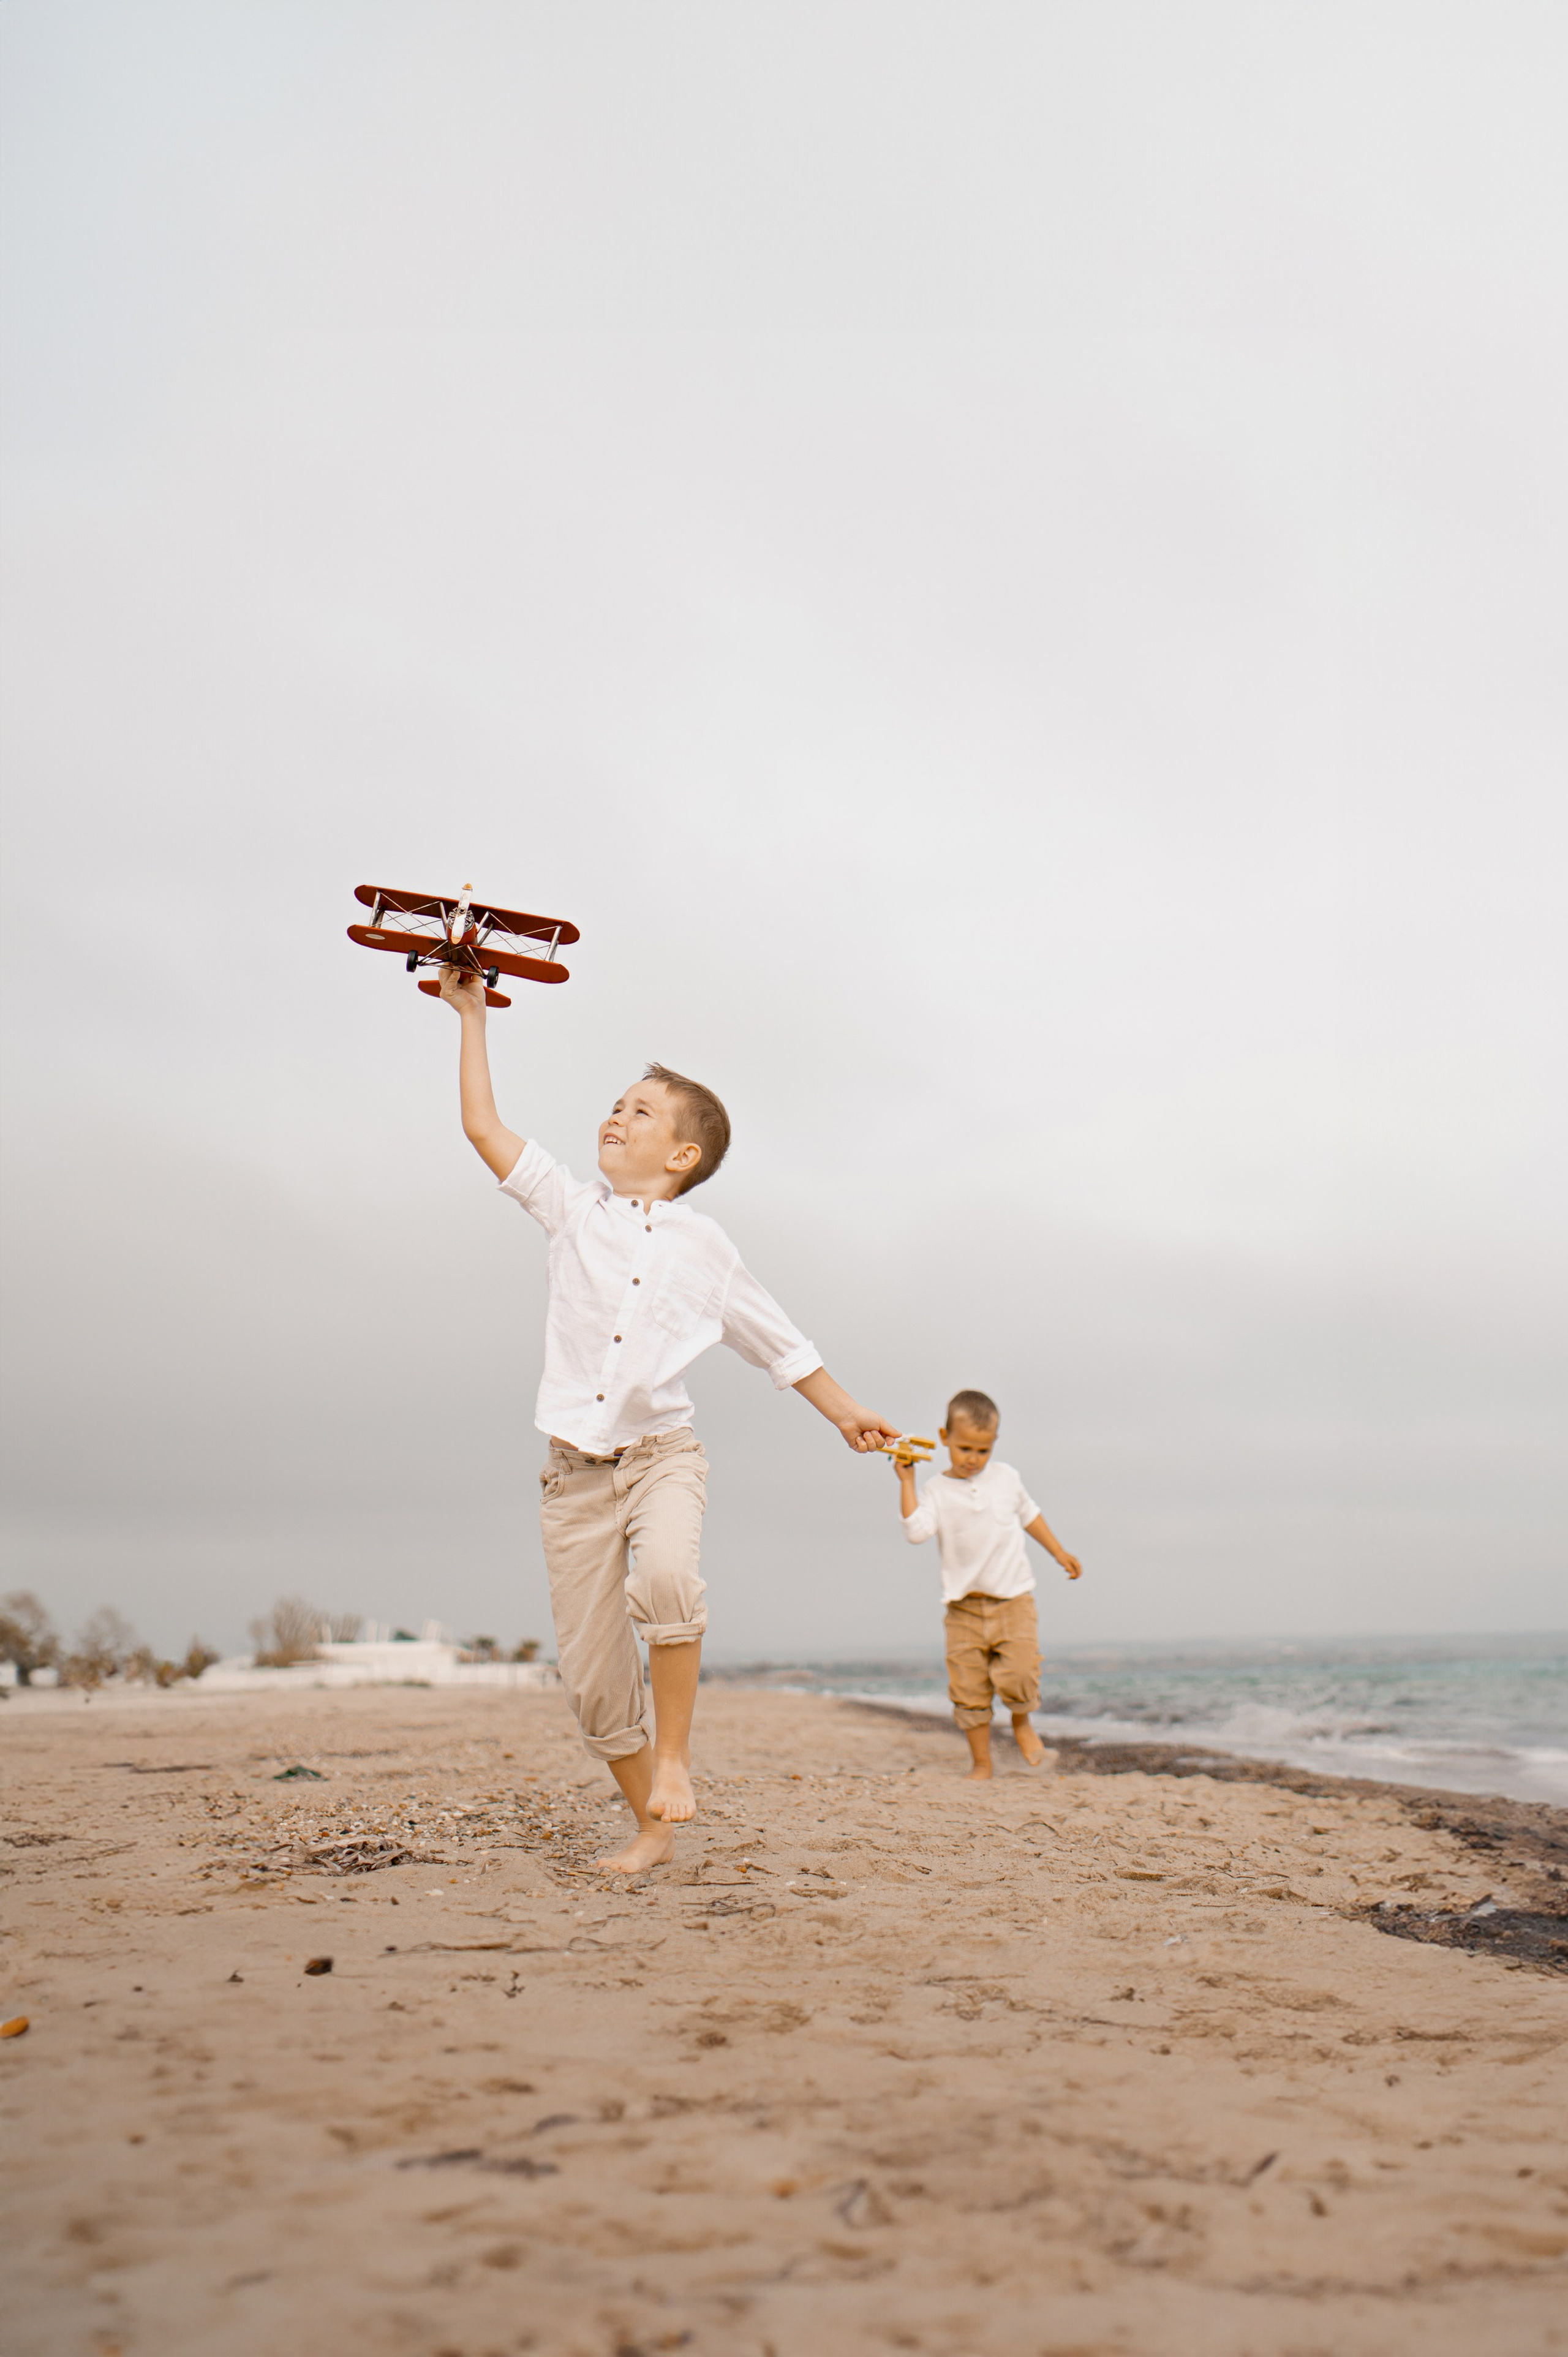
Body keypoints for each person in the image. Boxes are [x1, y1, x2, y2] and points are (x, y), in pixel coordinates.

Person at [438, 963, 899, 1869]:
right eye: (615, 1104)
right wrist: (470, 1016)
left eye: (641, 1112)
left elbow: (782, 1342)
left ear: (683, 1156)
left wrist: (847, 1415)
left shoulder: (707, 1247)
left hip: (662, 1457)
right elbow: (482, 1126)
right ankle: (652, 1822)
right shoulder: (571, 1211)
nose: (616, 1116)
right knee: (595, 1690)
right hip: (572, 1479)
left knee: (669, 1585)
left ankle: (678, 1762)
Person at [894, 1389, 1082, 1781]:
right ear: (943, 1438)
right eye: (964, 1449)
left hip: (1013, 1600)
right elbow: (916, 1532)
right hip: (963, 1608)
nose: (973, 1459)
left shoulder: (1007, 1478)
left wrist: (1059, 1552)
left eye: (982, 1451)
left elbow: (1030, 1516)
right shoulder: (937, 1491)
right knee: (969, 1690)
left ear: (994, 1444)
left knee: (1020, 1674)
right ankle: (981, 1763)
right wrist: (907, 1481)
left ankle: (1021, 1723)